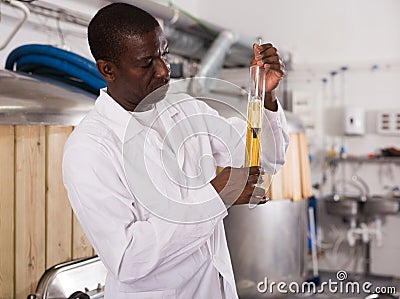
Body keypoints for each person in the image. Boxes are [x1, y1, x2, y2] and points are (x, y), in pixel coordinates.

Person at [62, 2, 289, 299]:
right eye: (147, 63)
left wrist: (265, 95)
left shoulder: (183, 109)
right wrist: (213, 198)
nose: (164, 71)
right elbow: (128, 259)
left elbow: (263, 157)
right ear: (108, 70)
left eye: (164, 55)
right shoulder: (90, 150)